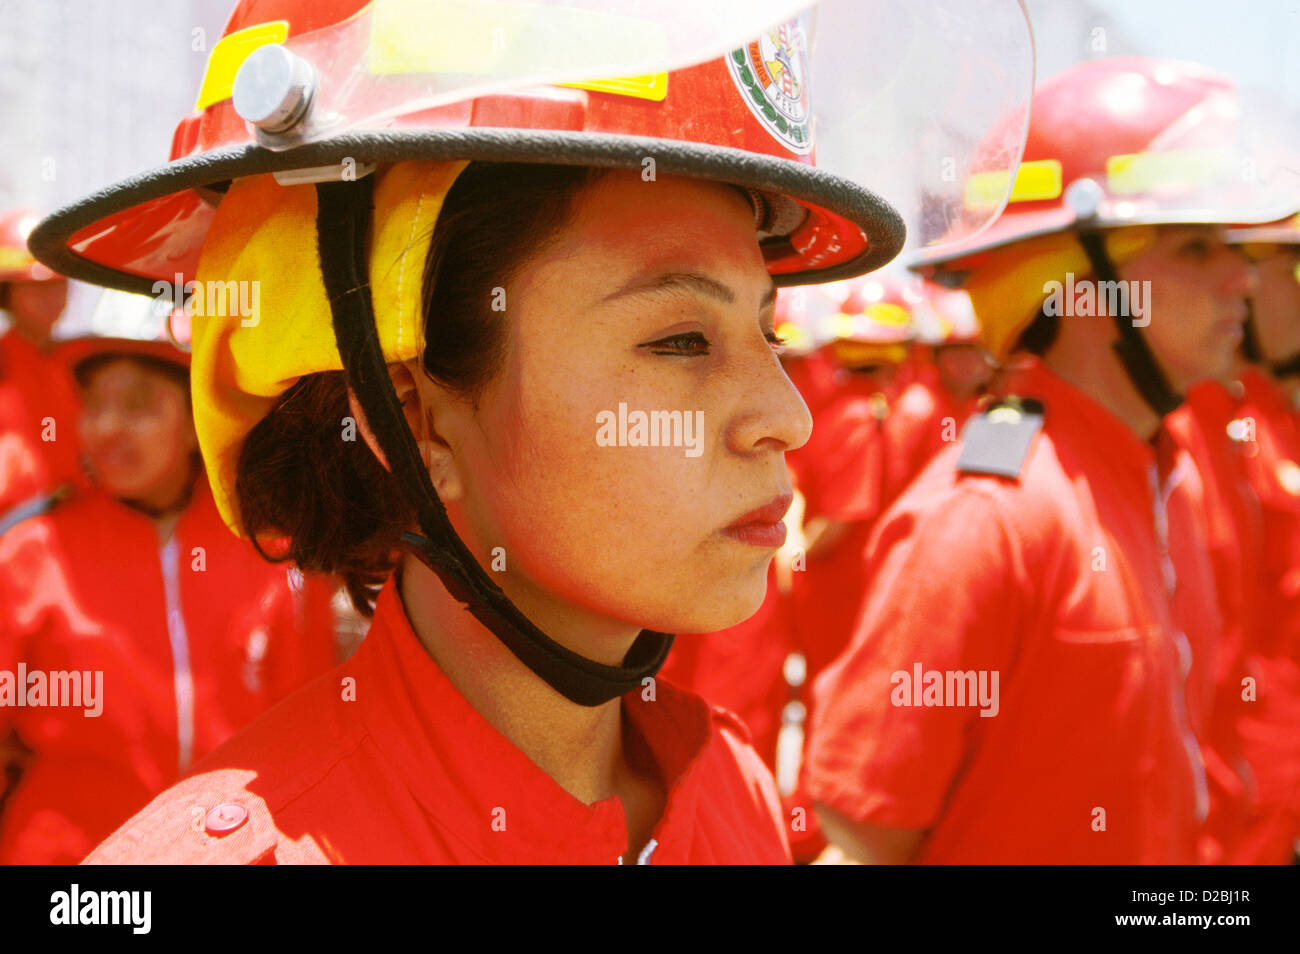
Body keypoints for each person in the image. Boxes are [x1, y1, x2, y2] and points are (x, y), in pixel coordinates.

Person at [27, 0, 1032, 864]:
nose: (789, 415)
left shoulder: (728, 786)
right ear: (409, 417)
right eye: (682, 339)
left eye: (766, 329)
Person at [805, 57, 1287, 863]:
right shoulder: (984, 522)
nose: (1243, 278)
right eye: (1197, 249)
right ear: (1081, 286)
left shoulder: (1168, 479)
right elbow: (865, 835)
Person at [0, 291, 338, 863]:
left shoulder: (272, 556)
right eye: (95, 404)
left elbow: (311, 726)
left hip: (237, 851)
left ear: (194, 424)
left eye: (137, 404)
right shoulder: (30, 552)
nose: (108, 426)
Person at [0, 208, 82, 516]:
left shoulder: (86, 362)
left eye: (56, 283)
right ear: (7, 291)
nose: (50, 296)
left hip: (80, 526)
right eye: (35, 286)